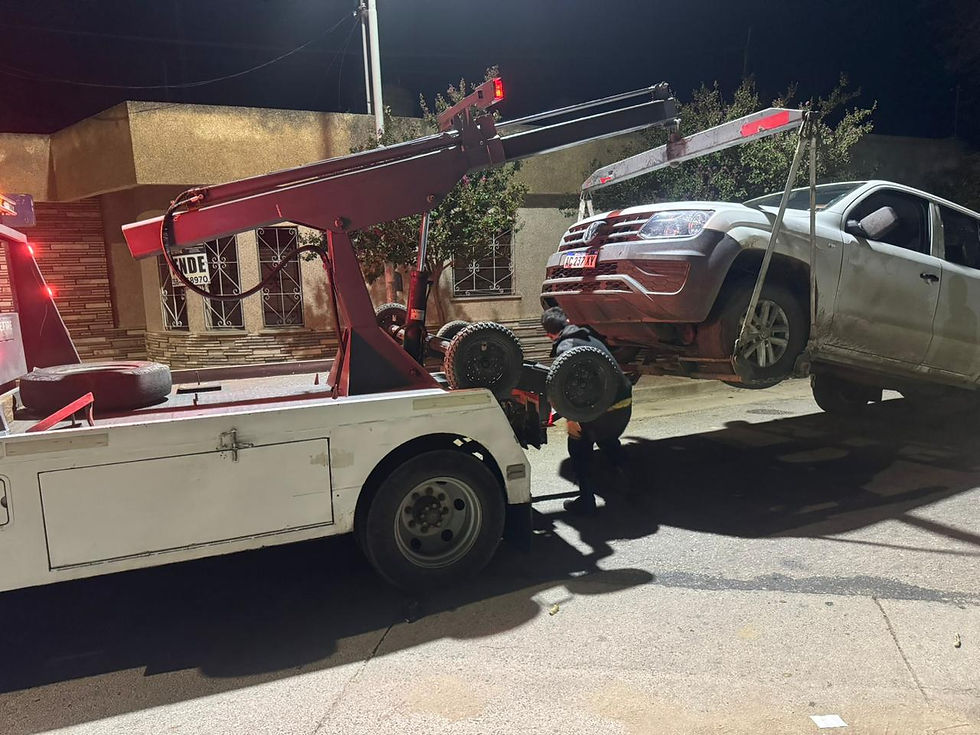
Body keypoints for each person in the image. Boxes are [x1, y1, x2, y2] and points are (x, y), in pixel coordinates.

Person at [541, 306, 632, 515]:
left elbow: (574, 388)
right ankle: (629, 483)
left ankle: (586, 500)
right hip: (624, 405)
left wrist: (570, 418)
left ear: (548, 334)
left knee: (578, 447)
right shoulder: (591, 336)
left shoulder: (567, 348)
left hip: (601, 410)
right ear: (568, 321)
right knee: (607, 440)